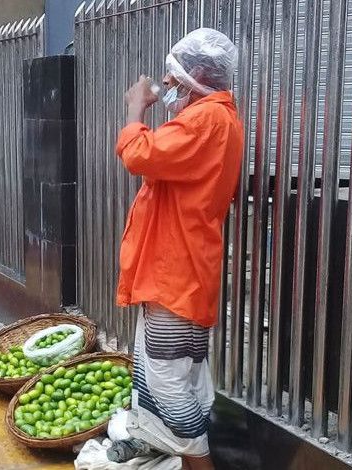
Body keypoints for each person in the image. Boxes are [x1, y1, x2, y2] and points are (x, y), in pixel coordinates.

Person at [111, 29, 241, 470]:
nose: (167, 85)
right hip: (177, 268)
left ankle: (198, 460)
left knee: (167, 377)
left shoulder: (208, 120)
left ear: (200, 74)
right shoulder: (212, 118)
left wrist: (134, 108)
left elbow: (139, 154)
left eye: (174, 77)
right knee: (164, 370)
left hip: (176, 272)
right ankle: (178, 456)